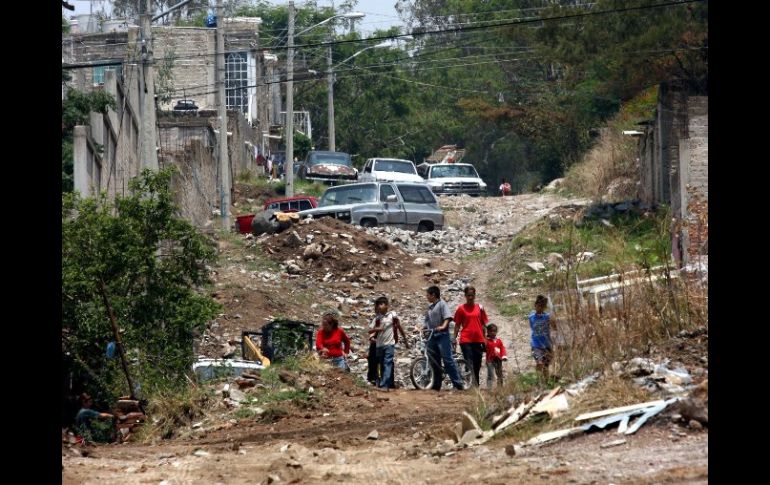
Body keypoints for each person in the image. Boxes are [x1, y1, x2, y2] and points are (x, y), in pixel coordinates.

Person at [423, 286, 465, 391]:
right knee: (433, 360)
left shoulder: (442, 304)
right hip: (432, 335)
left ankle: (458, 384)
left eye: (428, 295)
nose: (427, 297)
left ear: (433, 295)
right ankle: (436, 385)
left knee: (447, 360)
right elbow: (426, 322)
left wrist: (443, 326)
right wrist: (419, 328)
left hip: (442, 335)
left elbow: (448, 317)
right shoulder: (430, 308)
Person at [368, 296, 408, 390]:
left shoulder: (392, 316)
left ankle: (385, 385)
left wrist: (405, 339)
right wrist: (377, 329)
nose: (379, 307)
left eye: (381, 304)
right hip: (379, 345)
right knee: (382, 364)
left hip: (390, 344)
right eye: (378, 305)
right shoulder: (377, 319)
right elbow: (370, 330)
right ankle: (384, 382)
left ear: (387, 305)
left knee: (388, 363)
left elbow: (399, 327)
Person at [453, 286, 489, 388]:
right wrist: (454, 338)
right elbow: (457, 325)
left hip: (478, 339)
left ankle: (475, 385)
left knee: (477, 363)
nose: (470, 297)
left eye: (472, 295)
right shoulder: (461, 309)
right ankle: (469, 384)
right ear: (465, 296)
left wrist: (485, 339)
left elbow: (483, 324)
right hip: (466, 339)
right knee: (469, 362)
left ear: (474, 295)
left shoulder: (480, 308)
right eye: (468, 295)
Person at [530, 295, 557, 384]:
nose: (540, 308)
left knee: (546, 366)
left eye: (542, 306)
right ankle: (539, 379)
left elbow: (554, 327)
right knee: (539, 363)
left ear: (545, 307)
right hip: (536, 345)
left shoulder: (547, 317)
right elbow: (532, 328)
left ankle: (545, 382)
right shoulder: (531, 317)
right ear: (535, 305)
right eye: (538, 306)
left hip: (547, 345)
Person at [485, 323, 507, 389]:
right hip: (490, 360)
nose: (493, 333)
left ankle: (500, 388)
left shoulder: (498, 341)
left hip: (498, 360)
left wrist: (504, 356)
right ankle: (489, 389)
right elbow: (483, 348)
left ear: (496, 332)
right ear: (488, 332)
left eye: (494, 331)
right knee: (490, 374)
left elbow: (502, 348)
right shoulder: (486, 341)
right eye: (491, 331)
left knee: (499, 374)